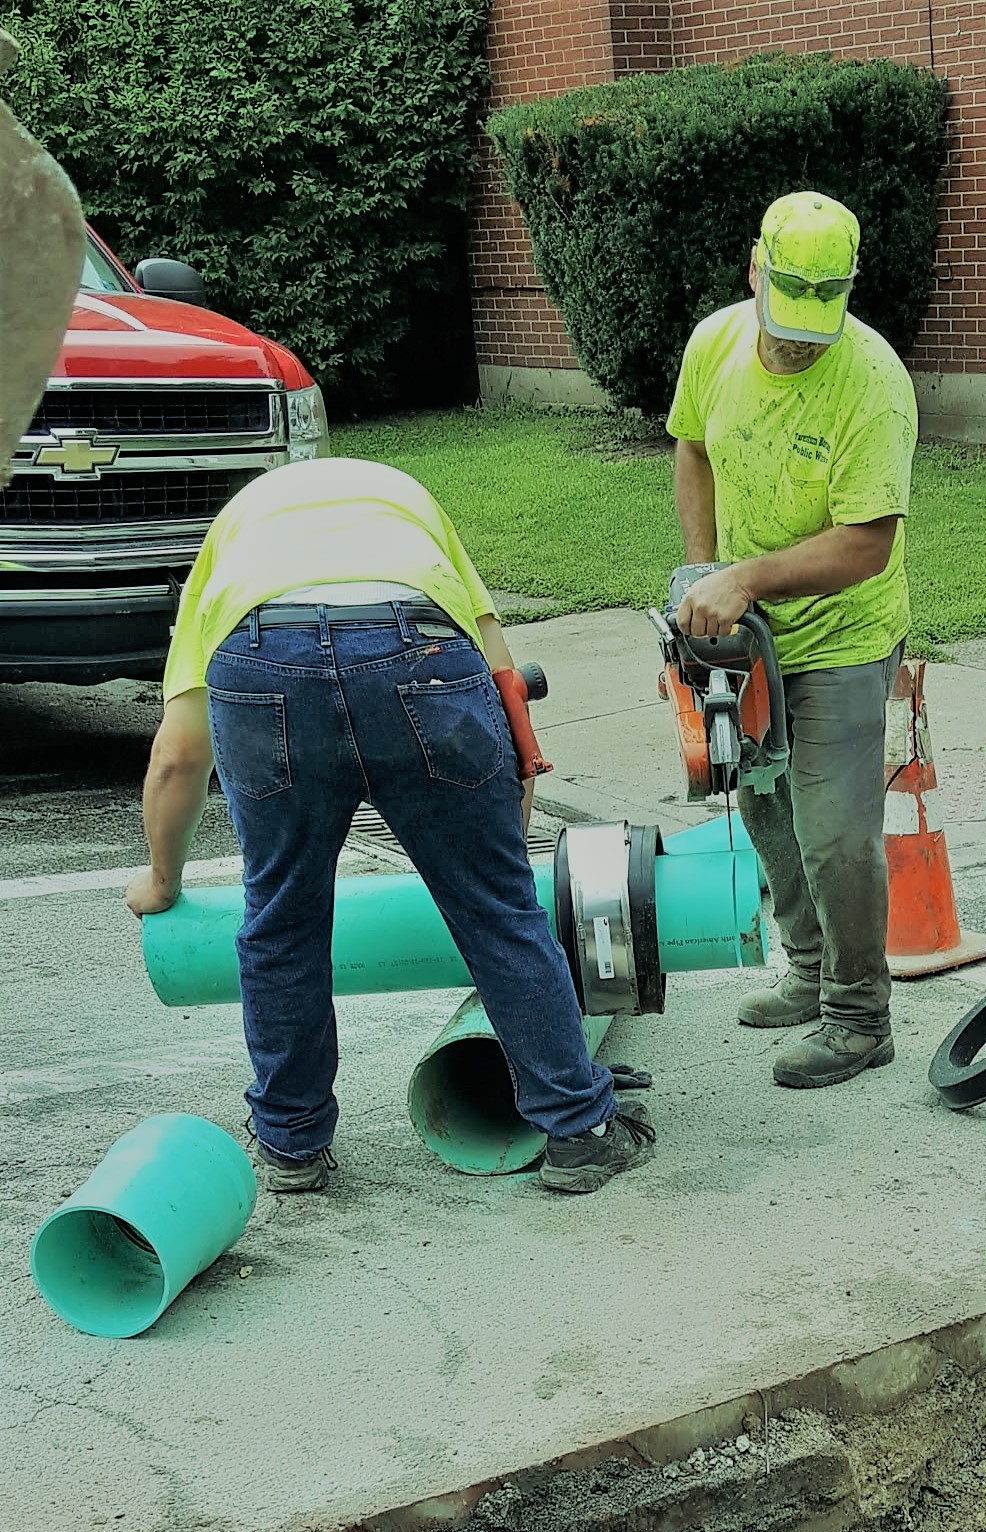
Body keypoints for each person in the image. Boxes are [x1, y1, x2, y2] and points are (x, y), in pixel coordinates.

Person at [127, 457, 654, 1197]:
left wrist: (162, 879)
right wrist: (503, 829)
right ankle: (578, 1130)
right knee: (499, 912)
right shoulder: (405, 501)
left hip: (263, 660)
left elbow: (178, 757)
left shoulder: (231, 543)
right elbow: (504, 681)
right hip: (417, 650)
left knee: (280, 921)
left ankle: (291, 1146)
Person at [667, 190, 917, 1091]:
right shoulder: (714, 344)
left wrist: (746, 579)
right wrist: (702, 576)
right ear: (753, 270)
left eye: (816, 326)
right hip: (749, 631)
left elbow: (867, 543)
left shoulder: (874, 387)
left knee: (836, 832)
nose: (797, 342)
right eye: (784, 321)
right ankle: (808, 969)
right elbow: (691, 450)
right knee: (763, 805)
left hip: (844, 634)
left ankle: (859, 1016)